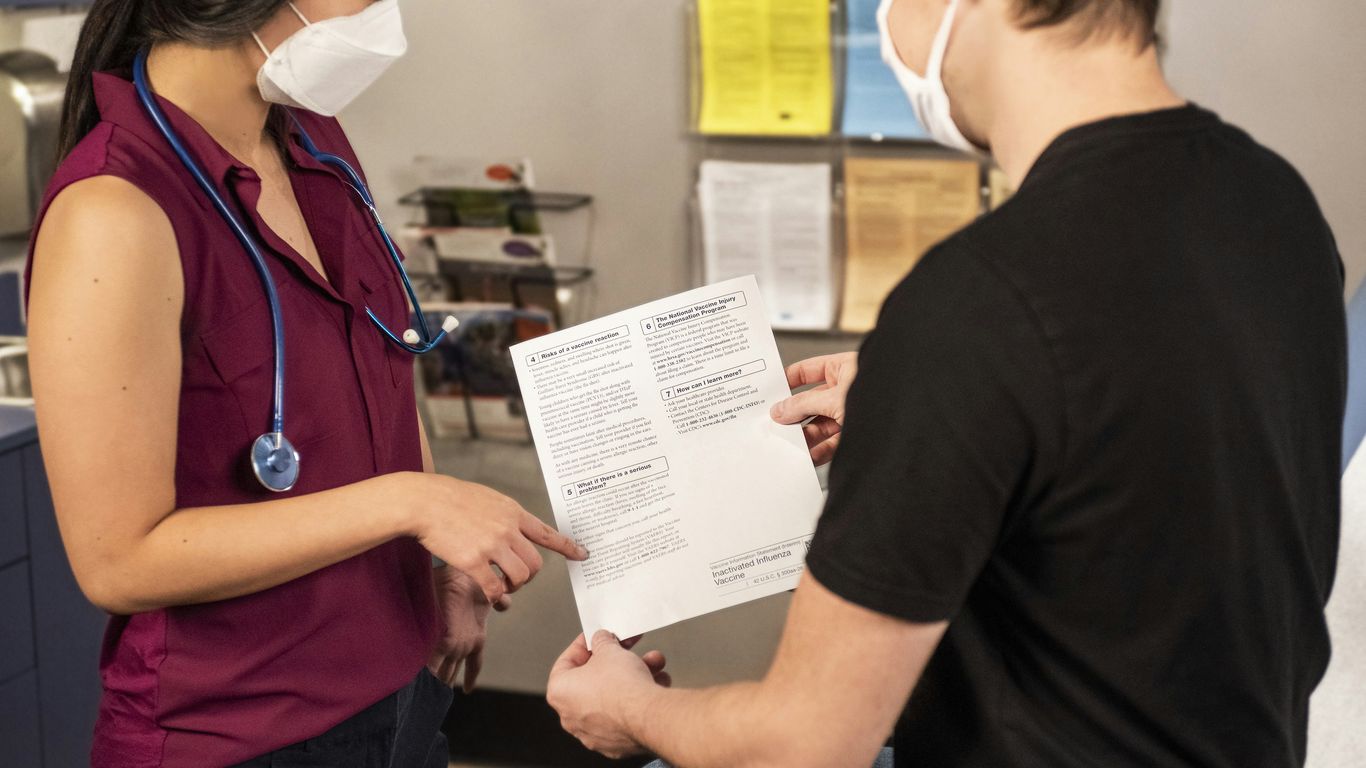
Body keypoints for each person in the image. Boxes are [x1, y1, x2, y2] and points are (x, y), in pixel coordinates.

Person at [546, 0, 1346, 766]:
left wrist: (630, 710)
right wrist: (936, 407)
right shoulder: (1275, 204)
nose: (889, 23)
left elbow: (802, 745)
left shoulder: (977, 302)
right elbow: (1149, 431)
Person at [24, 1, 587, 766]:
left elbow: (383, 356)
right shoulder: (114, 208)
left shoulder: (312, 141)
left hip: (402, 699)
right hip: (239, 736)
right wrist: (413, 503)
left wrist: (435, 566)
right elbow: (118, 559)